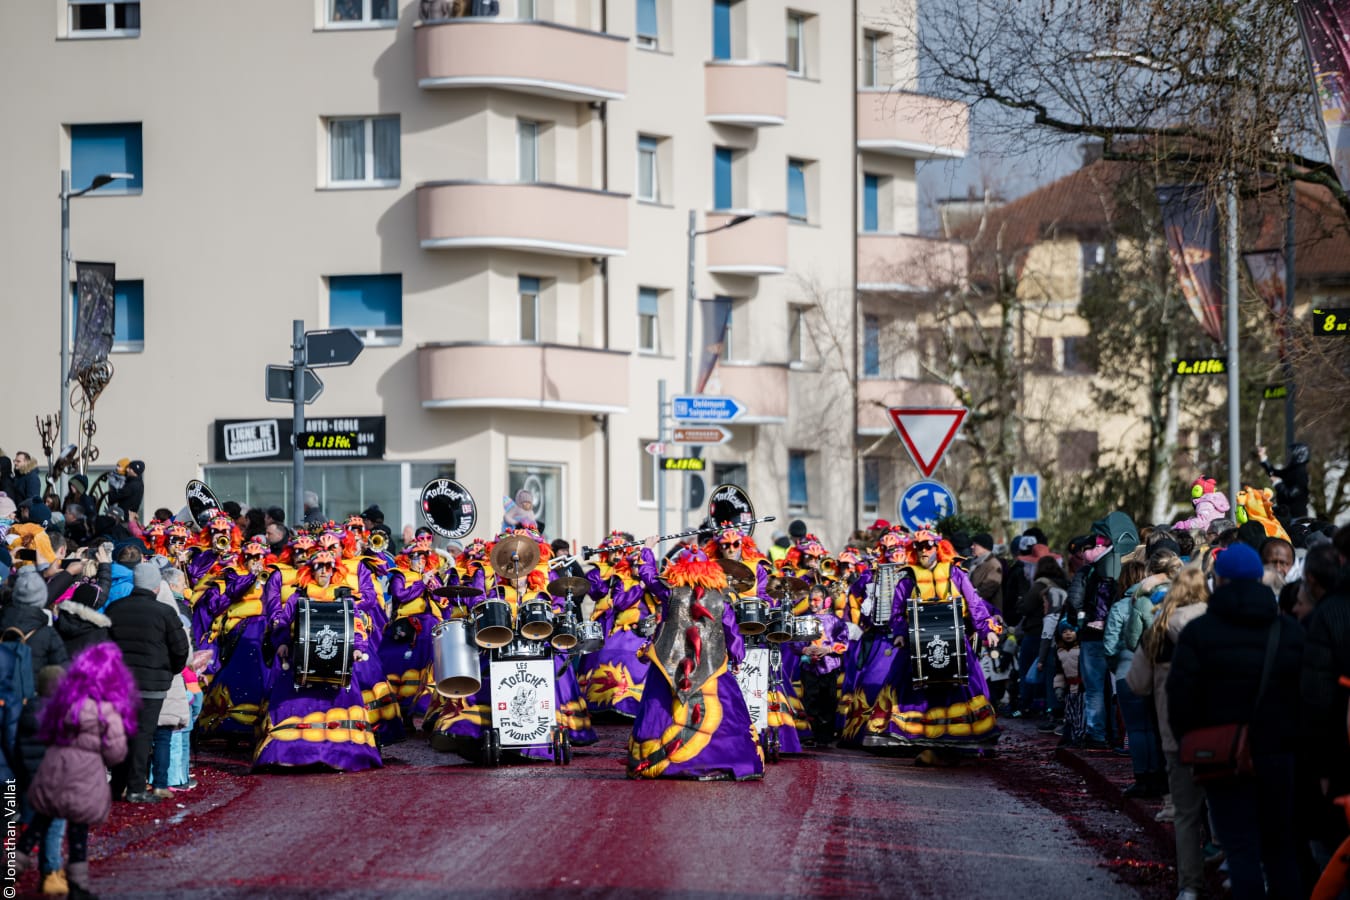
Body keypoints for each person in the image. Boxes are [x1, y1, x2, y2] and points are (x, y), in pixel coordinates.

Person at [1167, 542, 1304, 900]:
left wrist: (1192, 742)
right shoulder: (1288, 631)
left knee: (1240, 850)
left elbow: (1179, 698)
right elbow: (1307, 695)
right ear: (1260, 580)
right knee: (1280, 849)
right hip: (1279, 755)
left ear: (1220, 581)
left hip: (1222, 754)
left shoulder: (1199, 633)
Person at [863, 529, 1002, 762]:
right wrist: (900, 634)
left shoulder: (955, 574)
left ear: (938, 548)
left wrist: (987, 630)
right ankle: (924, 742)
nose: (924, 550)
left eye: (928, 546)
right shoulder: (907, 578)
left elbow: (975, 605)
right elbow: (897, 613)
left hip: (955, 642)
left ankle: (959, 743)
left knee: (964, 690)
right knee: (913, 693)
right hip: (916, 645)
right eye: (919, 546)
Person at [627, 548, 763, 781]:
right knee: (726, 715)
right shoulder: (721, 596)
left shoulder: (669, 591)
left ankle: (661, 762)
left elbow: (648, 577)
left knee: (660, 709)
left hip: (669, 663)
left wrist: (647, 553)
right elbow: (731, 630)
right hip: (711, 664)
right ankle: (727, 761)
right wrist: (737, 656)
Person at [14, 642, 135, 900]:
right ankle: (78, 886)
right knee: (78, 831)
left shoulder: (63, 703)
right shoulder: (106, 711)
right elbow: (116, 753)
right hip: (86, 775)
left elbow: (45, 732)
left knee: (40, 821)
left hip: (56, 768)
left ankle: (12, 866)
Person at [1128, 566, 1209, 900]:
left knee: (1186, 816)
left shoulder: (1159, 629)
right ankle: (1233, 869)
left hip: (1175, 733)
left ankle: (1190, 885)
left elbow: (1137, 683)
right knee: (1227, 809)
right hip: (1221, 732)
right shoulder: (1217, 624)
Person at [106, 563, 190, 803]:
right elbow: (180, 649)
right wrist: (170, 671)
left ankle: (118, 785)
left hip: (122, 683)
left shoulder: (115, 609)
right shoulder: (165, 612)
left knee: (123, 733)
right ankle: (135, 788)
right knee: (143, 735)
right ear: (156, 586)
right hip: (153, 684)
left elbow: (105, 645)